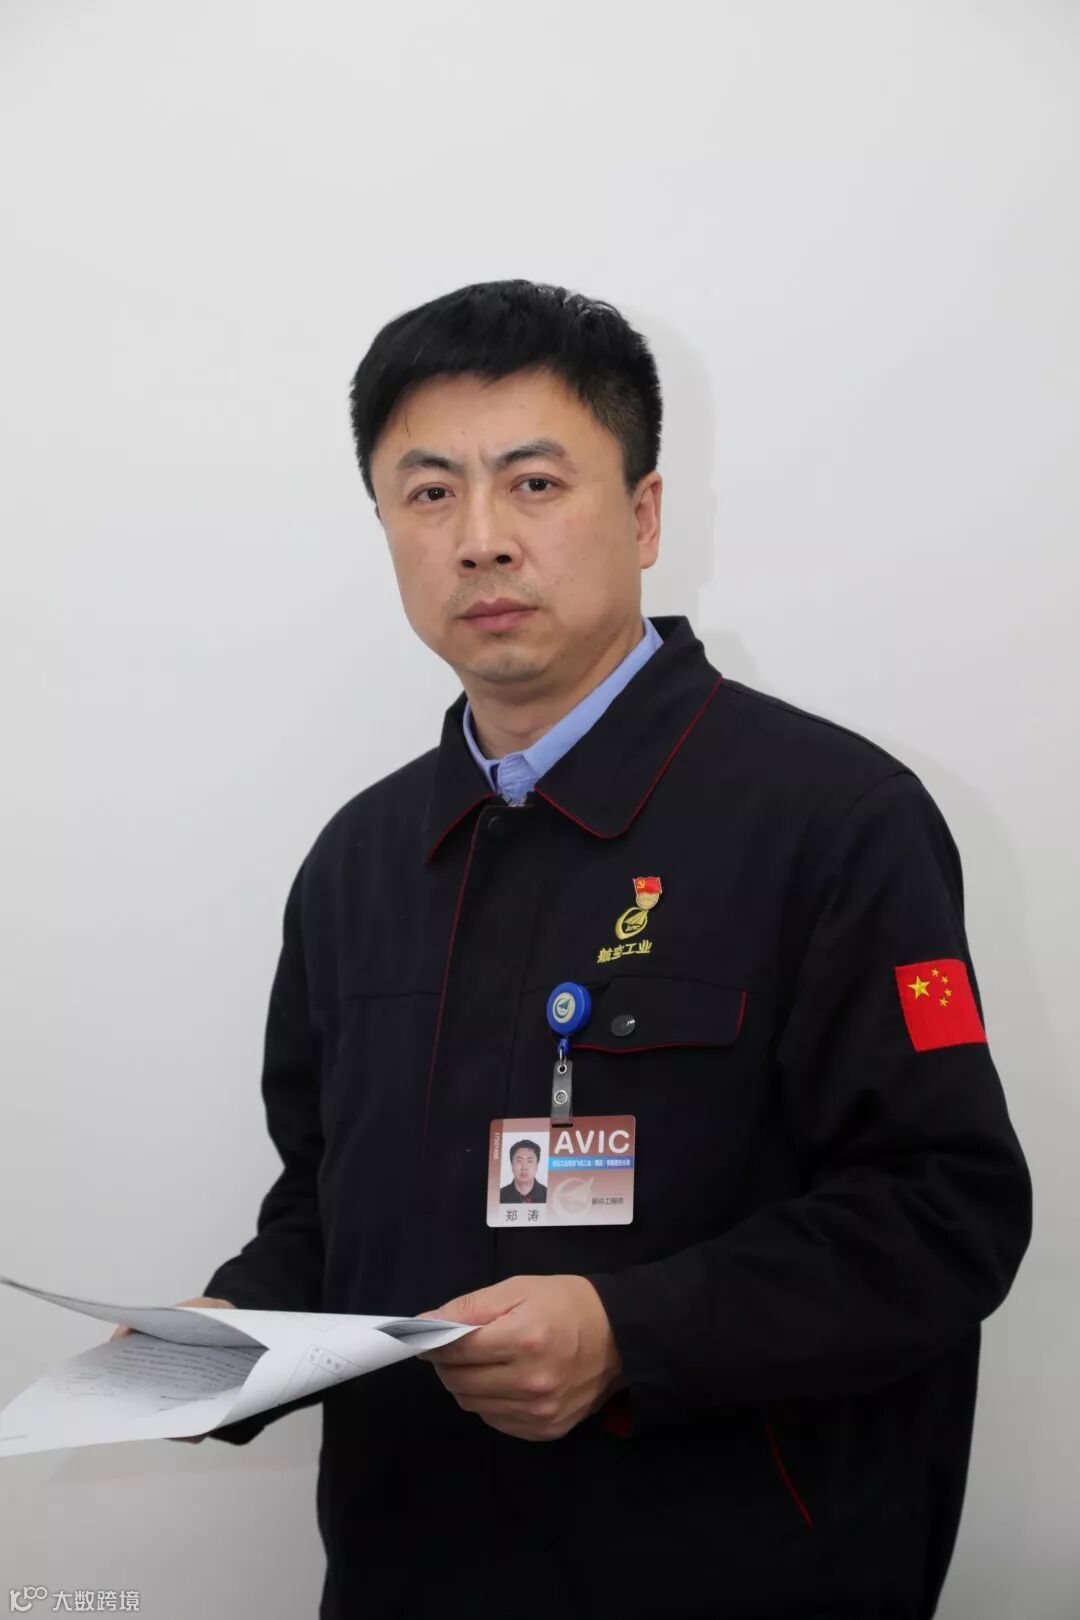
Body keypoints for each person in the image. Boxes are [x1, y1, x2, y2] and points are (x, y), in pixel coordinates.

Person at [175, 280, 1029, 1618]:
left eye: (533, 483)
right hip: (409, 1572)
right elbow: (327, 1205)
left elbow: (946, 1213)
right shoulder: (358, 860)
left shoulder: (831, 819)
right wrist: (227, 1334)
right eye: (429, 493)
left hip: (733, 1576)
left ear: (643, 515)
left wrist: (632, 1335)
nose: (480, 541)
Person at [499, 1139, 547, 1203]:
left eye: (529, 1161)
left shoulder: (548, 1195)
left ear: (537, 1166)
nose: (524, 1167)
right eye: (519, 1161)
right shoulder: (499, 1196)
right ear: (512, 1165)